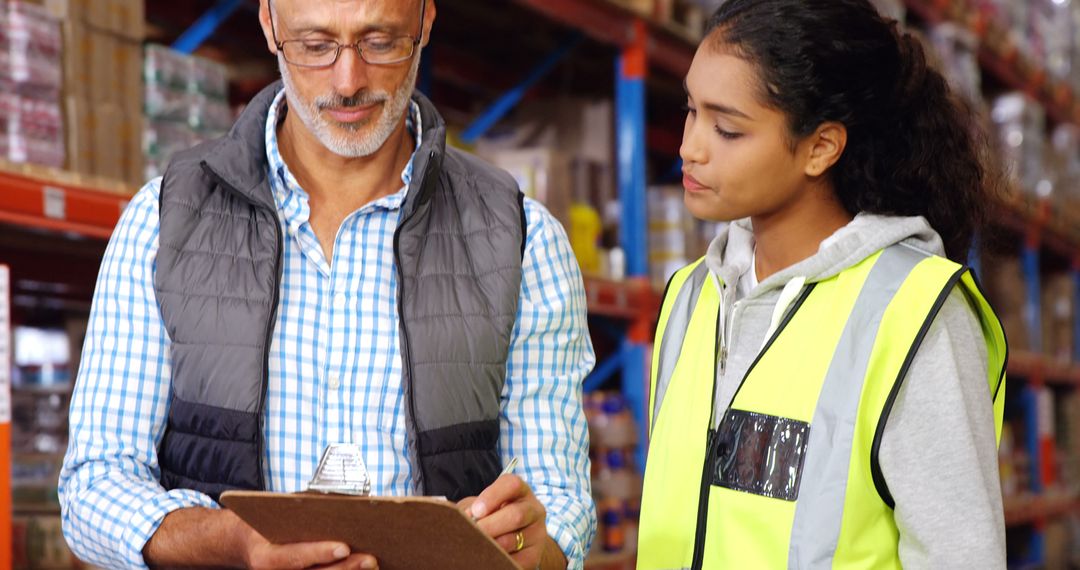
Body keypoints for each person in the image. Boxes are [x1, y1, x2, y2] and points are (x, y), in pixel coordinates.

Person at [58, 1, 596, 568]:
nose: (349, 81)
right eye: (315, 46)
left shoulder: (520, 238)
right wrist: (233, 541)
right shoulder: (164, 220)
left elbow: (560, 505)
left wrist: (537, 542)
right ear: (268, 24)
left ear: (425, 21)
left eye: (381, 42)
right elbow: (95, 484)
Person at [637, 0, 1008, 568]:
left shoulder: (914, 314)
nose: (689, 147)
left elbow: (960, 554)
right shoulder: (689, 298)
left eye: (727, 128)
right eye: (690, 111)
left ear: (821, 147)